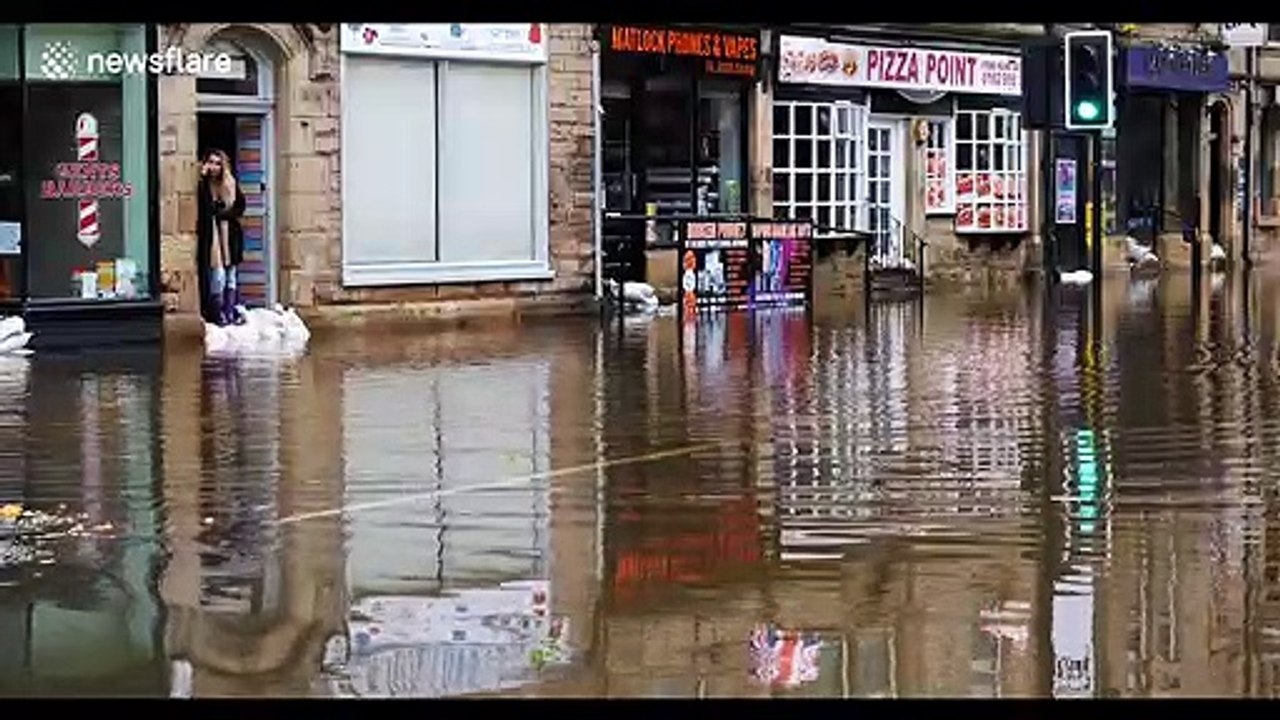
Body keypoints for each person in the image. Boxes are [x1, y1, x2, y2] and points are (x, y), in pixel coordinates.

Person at [196, 149, 246, 326]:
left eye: (218, 163)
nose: (215, 167)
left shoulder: (230, 183)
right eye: (211, 162)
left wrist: (223, 213)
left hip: (230, 236)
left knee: (231, 275)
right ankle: (218, 314)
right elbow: (203, 207)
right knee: (218, 275)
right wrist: (202, 178)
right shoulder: (204, 185)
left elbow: (240, 207)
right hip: (213, 236)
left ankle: (229, 311)